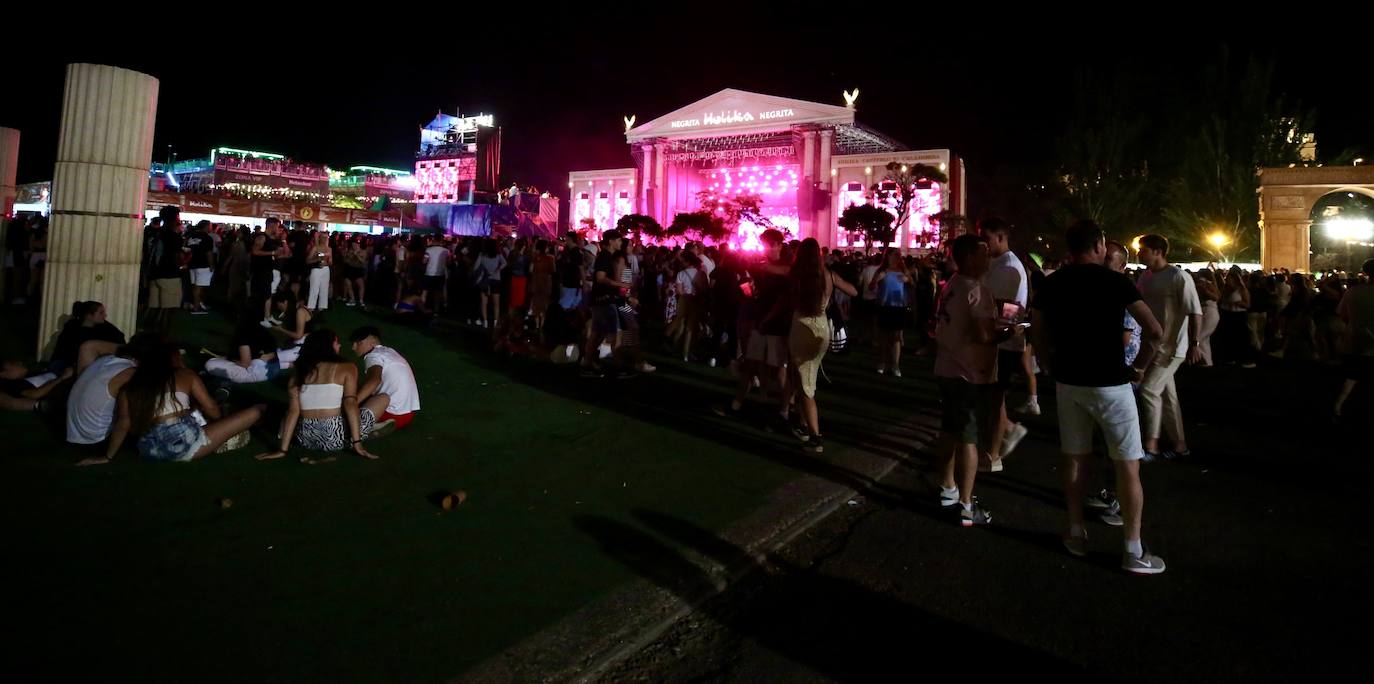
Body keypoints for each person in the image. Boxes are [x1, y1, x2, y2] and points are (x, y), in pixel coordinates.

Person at [1031, 220, 1168, 575]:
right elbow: (1154, 331)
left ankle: (1076, 532)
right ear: (1100, 245)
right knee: (1127, 464)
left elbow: (1038, 330)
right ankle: (1133, 549)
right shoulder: (1117, 281)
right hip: (1111, 383)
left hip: (1069, 381)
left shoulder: (1052, 283)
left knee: (1075, 458)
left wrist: (1046, 363)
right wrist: (1138, 367)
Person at [76, 343, 262, 465]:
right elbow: (213, 411)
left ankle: (216, 434)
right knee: (256, 411)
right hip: (184, 444)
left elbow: (124, 423)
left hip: (148, 449)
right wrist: (220, 421)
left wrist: (107, 457)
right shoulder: (184, 375)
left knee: (193, 411)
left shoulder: (132, 385)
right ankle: (223, 437)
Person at [933, 234, 1006, 526]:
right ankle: (966, 504)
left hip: (947, 367)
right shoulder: (976, 289)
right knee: (969, 438)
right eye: (983, 253)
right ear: (968, 258)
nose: (988, 259)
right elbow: (984, 335)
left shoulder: (951, 285)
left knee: (949, 430)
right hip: (968, 373)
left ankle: (947, 487)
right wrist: (1008, 332)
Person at [254, 329, 385, 461]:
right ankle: (362, 435)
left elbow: (293, 412)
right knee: (383, 398)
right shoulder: (347, 367)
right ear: (327, 345)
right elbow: (350, 404)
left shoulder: (299, 372)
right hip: (334, 439)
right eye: (336, 342)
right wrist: (358, 444)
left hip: (304, 439)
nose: (339, 346)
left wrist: (282, 450)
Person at [1134, 234, 1203, 461]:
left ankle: (1151, 445)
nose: (1138, 253)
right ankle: (1180, 445)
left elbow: (1195, 312)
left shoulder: (1179, 277)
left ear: (1157, 251)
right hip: (1152, 345)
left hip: (1173, 348)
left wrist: (1195, 343)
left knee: (1149, 391)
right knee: (1167, 396)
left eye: (1142, 249)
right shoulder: (1145, 277)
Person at [787, 238, 858, 454]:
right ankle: (803, 425)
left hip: (802, 326)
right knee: (807, 377)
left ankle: (815, 437)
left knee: (806, 383)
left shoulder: (796, 275)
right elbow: (854, 291)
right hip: (821, 325)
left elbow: (789, 301)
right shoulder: (827, 274)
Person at [718, 229, 791, 419]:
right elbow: (758, 293)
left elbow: (783, 297)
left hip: (777, 325)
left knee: (780, 370)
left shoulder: (785, 266)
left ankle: (785, 410)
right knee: (753, 365)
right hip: (761, 322)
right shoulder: (763, 266)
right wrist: (750, 288)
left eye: (767, 244)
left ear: (778, 245)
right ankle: (741, 404)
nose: (765, 248)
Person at [978, 218, 1031, 473]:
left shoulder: (1008, 266)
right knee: (991, 399)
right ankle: (1008, 431)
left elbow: (1008, 308)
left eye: (987, 239)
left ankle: (994, 455)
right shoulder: (997, 264)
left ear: (1001, 237)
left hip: (1002, 343)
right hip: (997, 340)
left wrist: (998, 335)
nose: (984, 245)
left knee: (995, 398)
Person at [350, 326, 420, 434]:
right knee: (361, 391)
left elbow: (374, 380)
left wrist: (352, 403)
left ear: (371, 341)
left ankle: (362, 427)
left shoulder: (373, 355)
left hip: (390, 413)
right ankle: (374, 426)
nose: (353, 347)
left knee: (350, 400)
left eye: (357, 342)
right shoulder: (389, 352)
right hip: (406, 415)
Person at [66, 344, 139, 446]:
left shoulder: (105, 360)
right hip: (96, 437)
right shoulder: (129, 372)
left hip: (74, 433)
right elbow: (125, 420)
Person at [1334, 258, 1374, 419]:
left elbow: (1342, 315)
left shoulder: (1353, 291)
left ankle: (1338, 407)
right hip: (1371, 344)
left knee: (1351, 378)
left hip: (1354, 340)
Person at [49, 301, 126, 373]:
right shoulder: (72, 329)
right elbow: (67, 353)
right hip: (67, 363)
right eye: (101, 313)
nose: (105, 315)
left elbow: (119, 338)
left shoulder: (103, 327)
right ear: (89, 315)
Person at [871, 249, 911, 377]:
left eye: (898, 256)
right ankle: (882, 362)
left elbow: (912, 282)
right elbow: (871, 286)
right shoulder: (882, 271)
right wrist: (877, 279)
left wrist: (907, 276)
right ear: (887, 256)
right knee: (883, 337)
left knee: (896, 337)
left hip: (898, 307)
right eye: (894, 255)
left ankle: (895, 365)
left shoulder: (902, 270)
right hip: (884, 307)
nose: (897, 258)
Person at [204, 318, 280, 384]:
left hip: (258, 372)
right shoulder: (262, 330)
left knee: (210, 364)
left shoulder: (243, 335)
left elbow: (245, 364)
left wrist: (228, 359)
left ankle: (226, 384)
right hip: (275, 369)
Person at [145, 210, 185, 332]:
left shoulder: (157, 233)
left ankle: (147, 335)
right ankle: (161, 339)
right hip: (169, 274)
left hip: (154, 274)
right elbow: (176, 257)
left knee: (154, 307)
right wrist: (182, 265)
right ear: (174, 219)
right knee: (168, 309)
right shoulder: (173, 236)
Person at [0, 360, 72, 413]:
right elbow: (36, 394)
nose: (20, 362)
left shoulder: (26, 377)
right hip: (61, 384)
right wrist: (62, 378)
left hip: (56, 373)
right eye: (13, 363)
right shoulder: (14, 385)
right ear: (3, 374)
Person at [472, 239, 506, 328]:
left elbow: (475, 267)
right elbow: (504, 263)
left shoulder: (482, 255)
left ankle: (485, 322)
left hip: (485, 280)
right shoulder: (498, 255)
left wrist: (482, 269)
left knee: (484, 303)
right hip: (496, 279)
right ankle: (495, 323)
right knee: (496, 304)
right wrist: (498, 269)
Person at [185, 220, 215, 314]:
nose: (211, 228)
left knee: (195, 286)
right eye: (210, 226)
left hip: (191, 264)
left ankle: (196, 303)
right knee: (199, 287)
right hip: (203, 265)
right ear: (206, 226)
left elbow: (186, 249)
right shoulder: (207, 238)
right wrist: (211, 264)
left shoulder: (190, 236)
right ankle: (196, 307)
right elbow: (208, 253)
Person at [1194, 270, 1222, 366]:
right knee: (1205, 340)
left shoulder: (1206, 284)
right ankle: (1207, 361)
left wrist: (1204, 290)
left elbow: (1216, 297)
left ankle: (1203, 360)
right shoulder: (1210, 284)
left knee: (1199, 338)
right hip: (1209, 311)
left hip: (1208, 312)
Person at [528, 239, 555, 334]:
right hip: (546, 283)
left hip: (535, 282)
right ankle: (542, 326)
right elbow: (552, 271)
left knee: (536, 303)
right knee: (544, 304)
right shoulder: (550, 258)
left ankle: (536, 325)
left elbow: (530, 270)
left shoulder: (534, 257)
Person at [305, 230, 332, 312]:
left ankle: (322, 308)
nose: (325, 239)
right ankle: (311, 307)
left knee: (324, 289)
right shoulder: (315, 248)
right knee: (314, 289)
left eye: (326, 237)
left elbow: (331, 262)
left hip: (326, 270)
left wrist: (328, 262)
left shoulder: (329, 249)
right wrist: (317, 259)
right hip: (316, 270)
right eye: (323, 237)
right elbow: (307, 260)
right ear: (319, 238)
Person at [422, 236, 449, 312]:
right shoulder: (446, 251)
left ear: (434, 240)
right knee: (437, 293)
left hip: (429, 273)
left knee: (425, 292)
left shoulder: (429, 250)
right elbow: (449, 262)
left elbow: (424, 261)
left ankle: (422, 308)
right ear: (441, 241)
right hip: (440, 273)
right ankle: (436, 311)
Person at [341, 239, 368, 307]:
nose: (354, 246)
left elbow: (363, 262)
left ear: (358, 244)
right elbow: (346, 261)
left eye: (355, 244)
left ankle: (361, 300)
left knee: (361, 285)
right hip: (350, 269)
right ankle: (352, 299)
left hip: (358, 270)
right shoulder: (350, 251)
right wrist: (346, 256)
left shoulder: (363, 251)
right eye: (353, 245)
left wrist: (357, 255)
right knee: (348, 283)